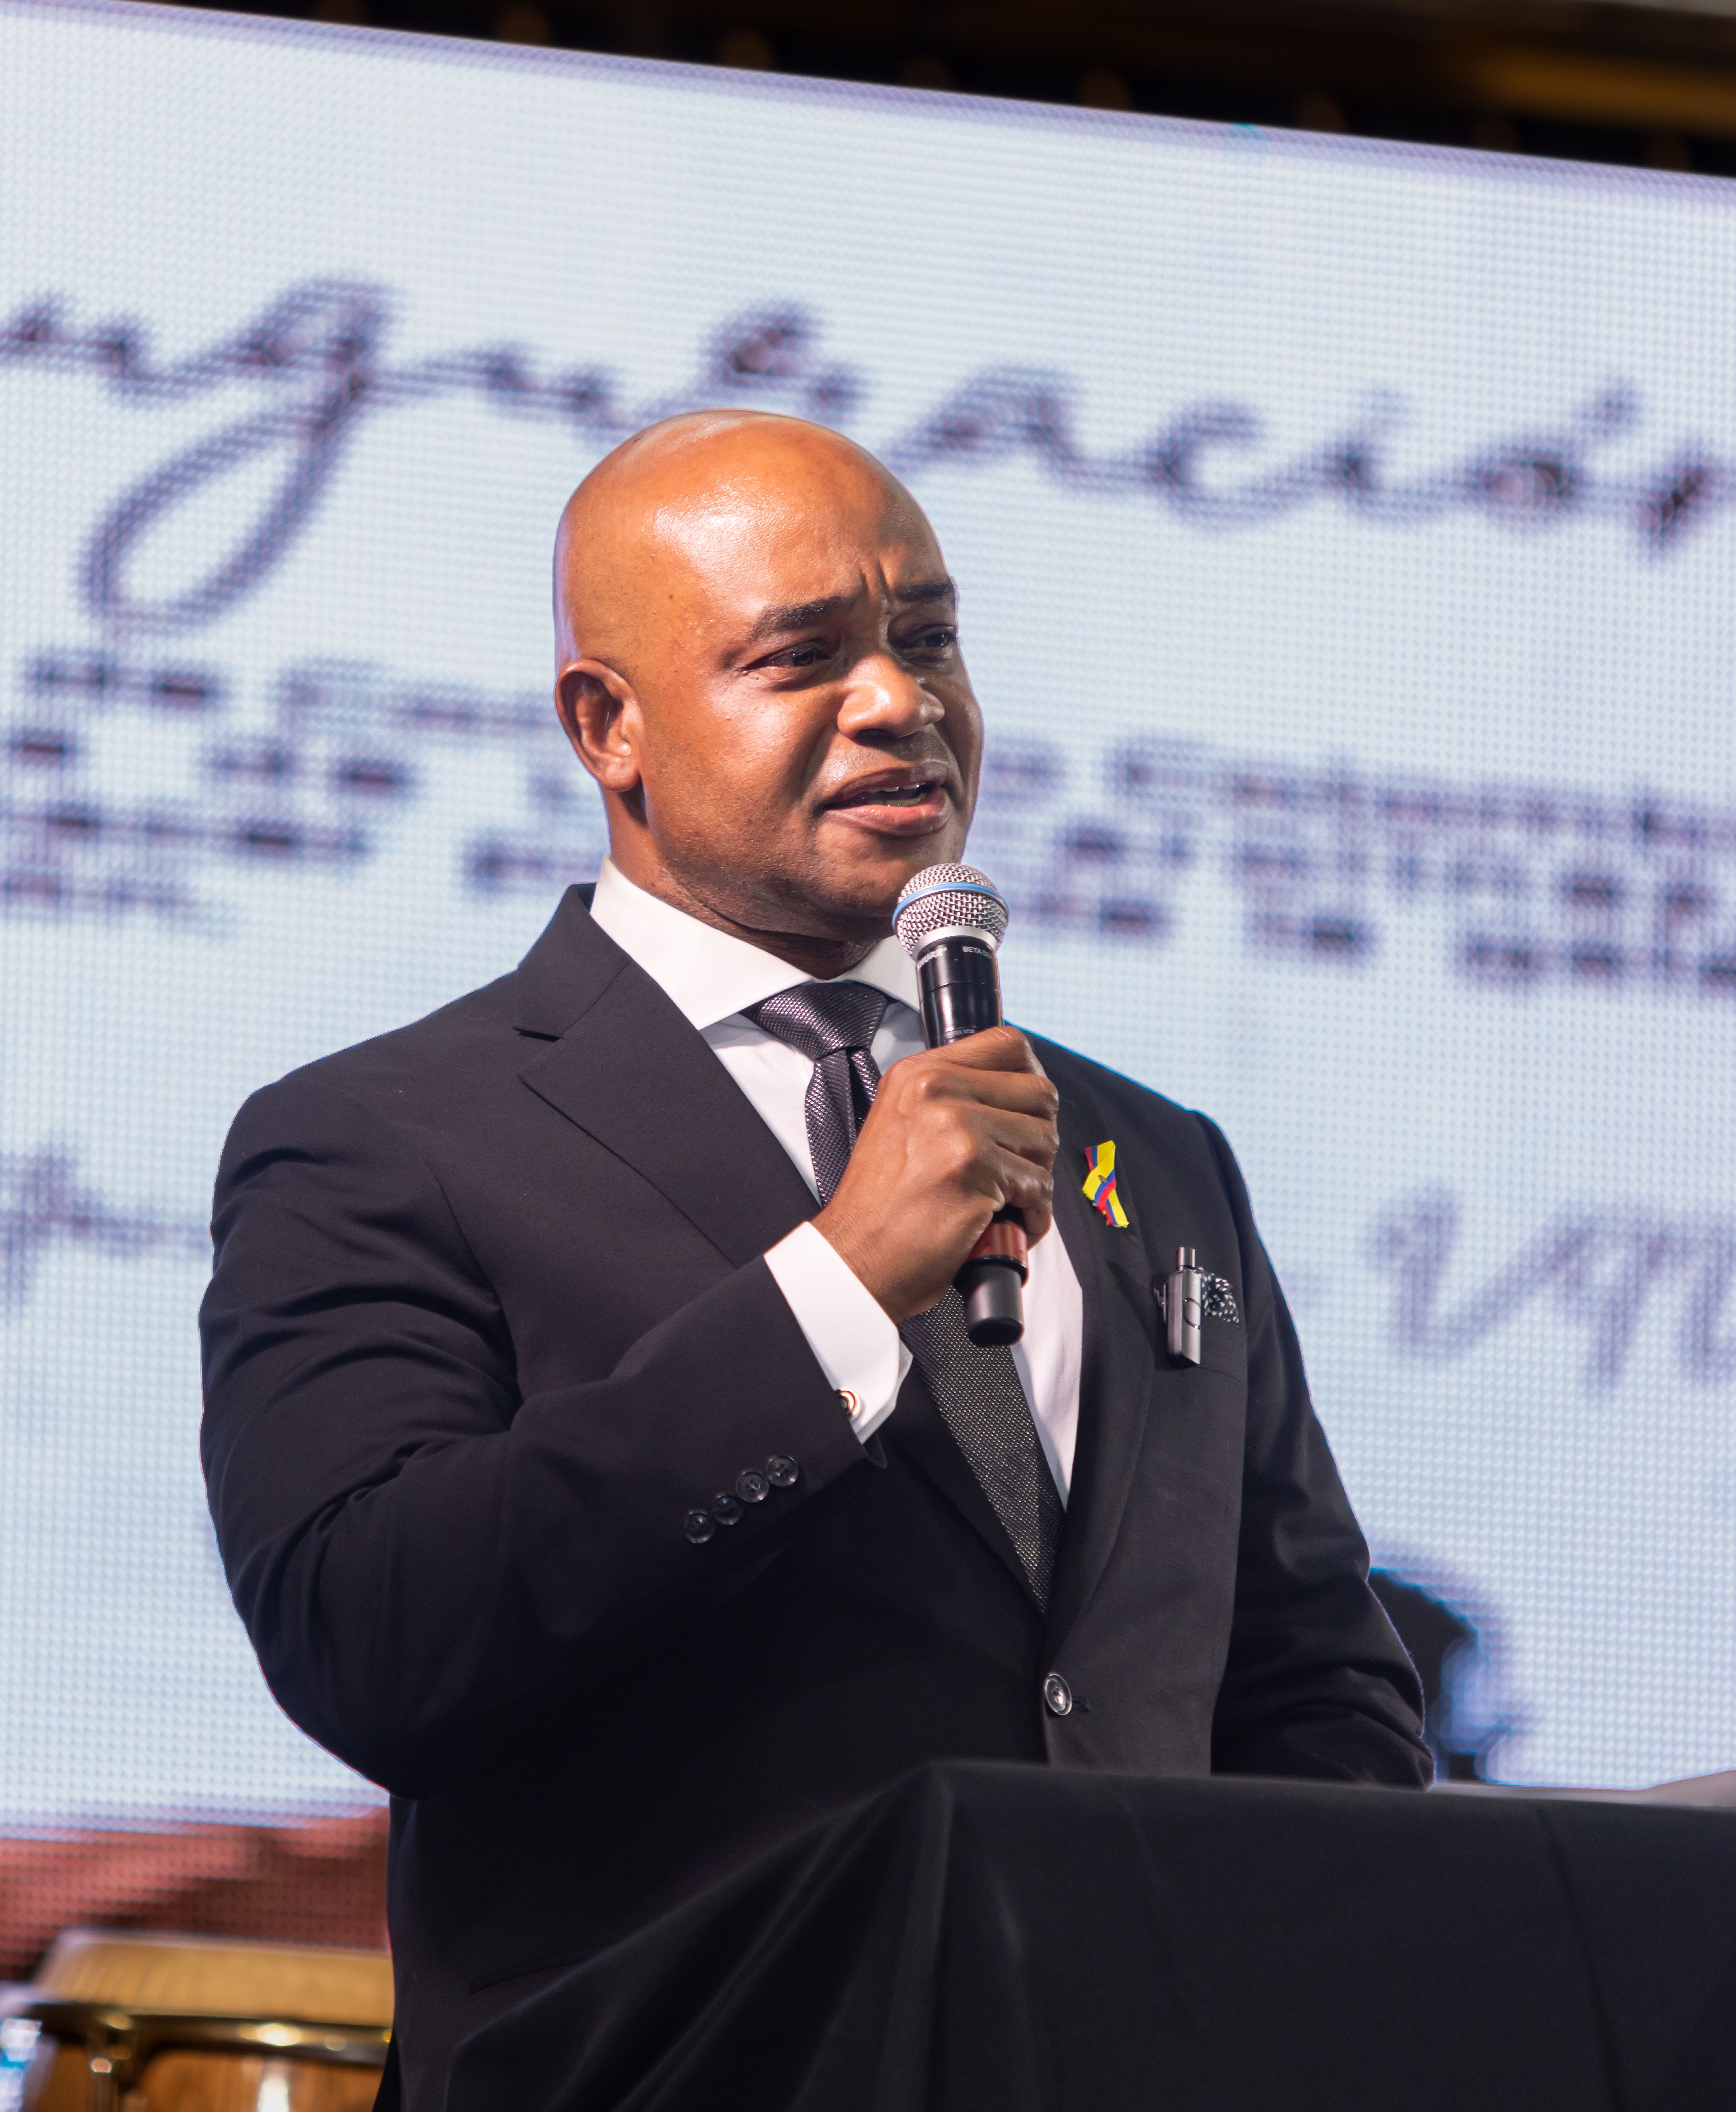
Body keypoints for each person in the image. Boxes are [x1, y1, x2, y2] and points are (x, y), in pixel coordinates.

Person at [199, 410, 1426, 2109]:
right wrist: (837, 1287)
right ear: (604, 725)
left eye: (928, 638)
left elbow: (1310, 1677)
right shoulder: (385, 1138)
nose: (898, 701)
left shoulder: (1153, 1159)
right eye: (803, 657)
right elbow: (373, 1635)